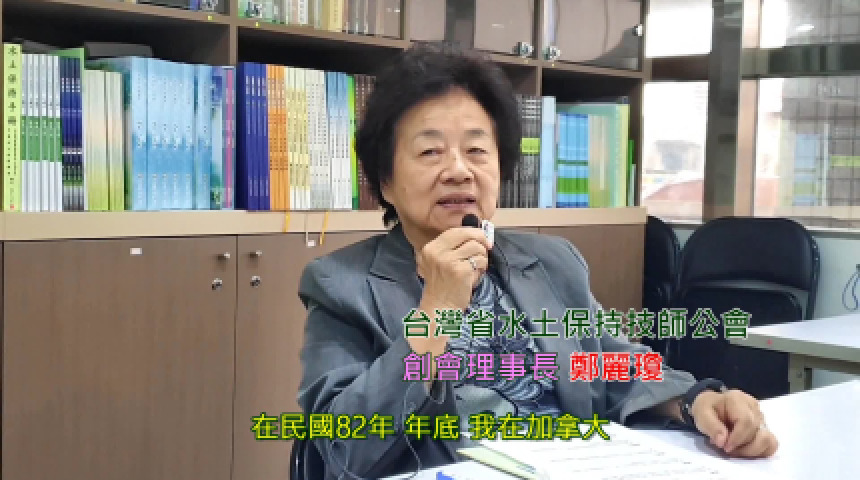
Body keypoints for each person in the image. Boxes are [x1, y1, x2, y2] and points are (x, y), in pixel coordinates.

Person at [296, 42, 778, 480]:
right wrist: (436, 314)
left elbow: (611, 366)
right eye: (430, 151)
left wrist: (697, 400)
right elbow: (343, 451)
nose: (459, 170)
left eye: (477, 150)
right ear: (385, 182)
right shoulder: (341, 285)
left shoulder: (551, 260)